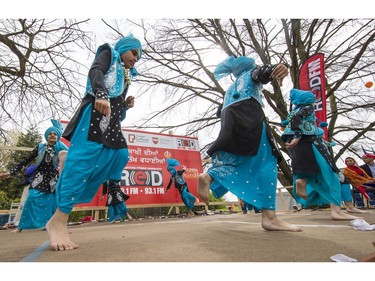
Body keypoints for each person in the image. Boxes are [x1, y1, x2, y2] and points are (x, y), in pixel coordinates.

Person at [46, 34, 142, 251]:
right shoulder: (110, 53)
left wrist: (125, 106)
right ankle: (58, 221)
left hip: (111, 123)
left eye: (139, 56)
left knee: (120, 155)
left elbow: (117, 111)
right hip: (95, 117)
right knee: (83, 163)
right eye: (134, 52)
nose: (136, 58)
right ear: (124, 48)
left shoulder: (125, 76)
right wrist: (100, 93)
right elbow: (95, 71)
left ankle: (68, 158)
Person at [198, 56, 302, 232]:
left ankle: (210, 176)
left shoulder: (230, 89)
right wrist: (275, 68)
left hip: (230, 121)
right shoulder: (250, 75)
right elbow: (260, 73)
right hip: (249, 118)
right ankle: (270, 218)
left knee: (239, 158)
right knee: (268, 161)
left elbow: (219, 112)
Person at [280, 89, 359, 220]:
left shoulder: (292, 112)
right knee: (332, 177)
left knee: (312, 173)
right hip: (310, 144)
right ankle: (337, 211)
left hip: (297, 146)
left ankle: (302, 181)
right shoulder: (307, 109)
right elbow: (297, 118)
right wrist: (298, 135)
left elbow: (293, 119)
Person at [0, 119, 68, 233]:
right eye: (50, 134)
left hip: (52, 178)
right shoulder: (40, 147)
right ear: (46, 136)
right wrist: (11, 172)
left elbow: (71, 156)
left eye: (54, 134)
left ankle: (52, 226)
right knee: (31, 198)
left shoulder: (60, 148)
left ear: (58, 136)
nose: (52, 135)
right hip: (39, 177)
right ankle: (21, 226)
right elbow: (26, 160)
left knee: (51, 202)